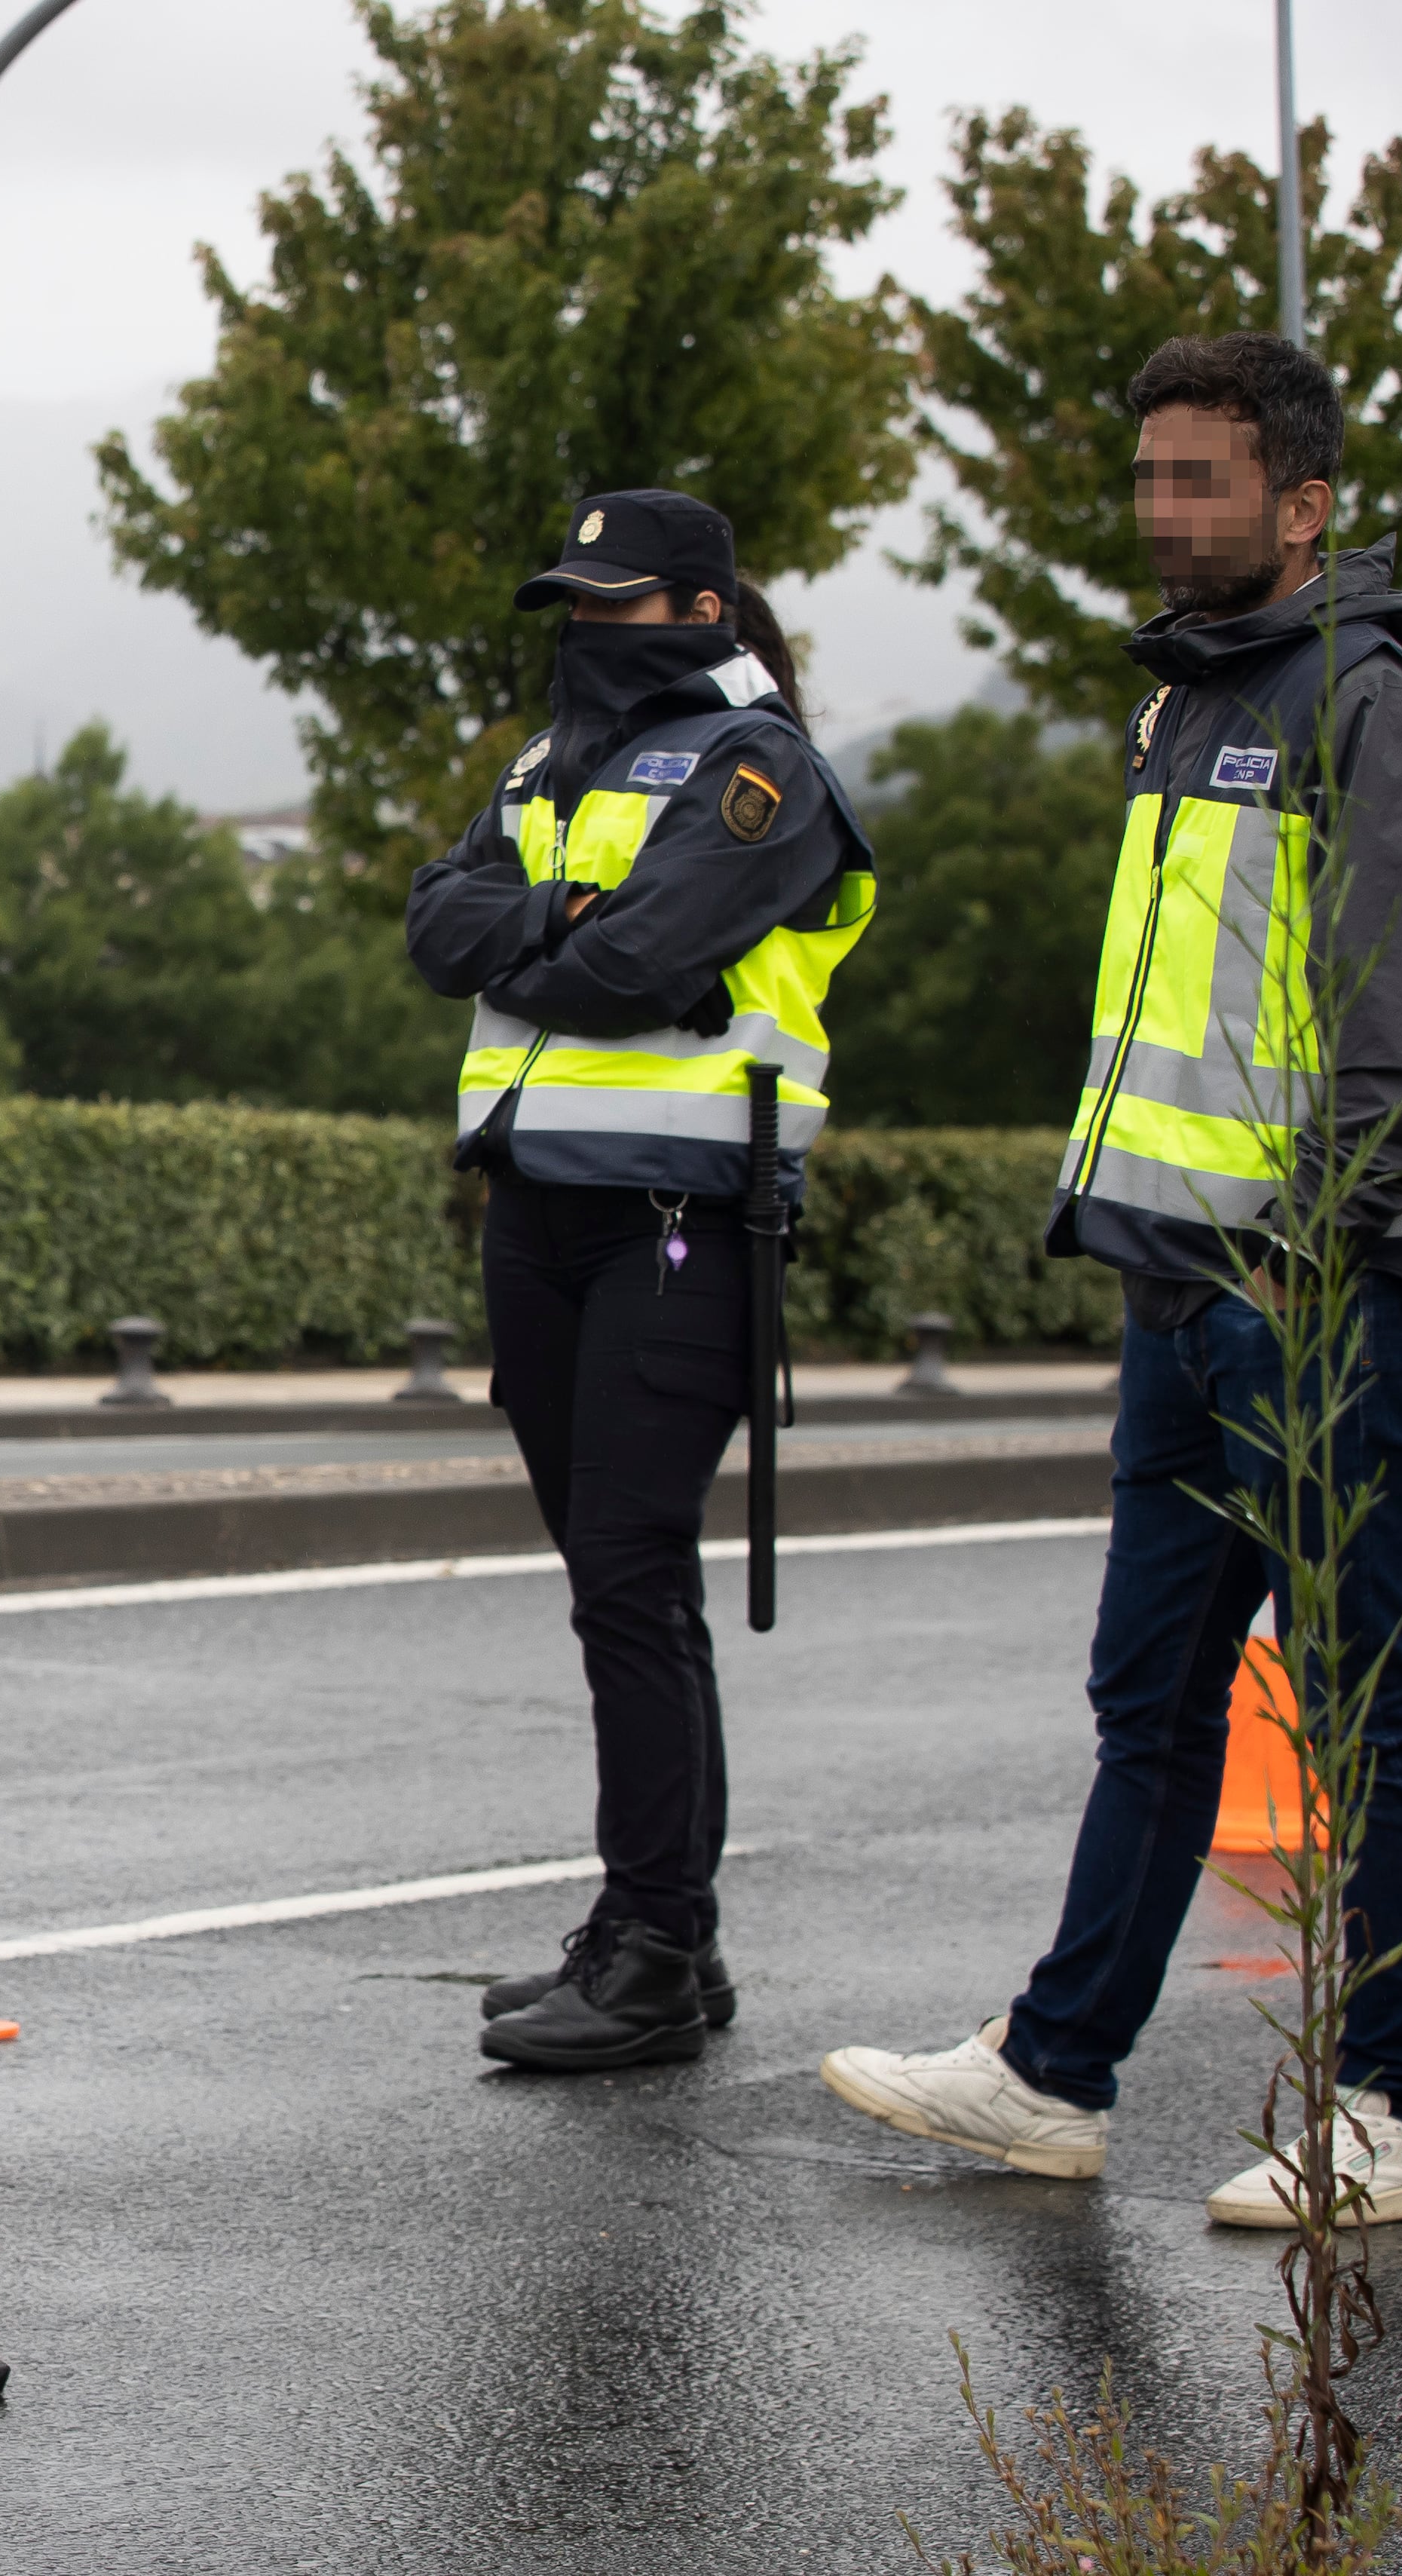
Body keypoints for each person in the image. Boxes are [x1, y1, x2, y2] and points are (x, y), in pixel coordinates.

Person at [822, 332, 1402, 2223]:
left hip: (1308, 1299)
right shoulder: (1184, 700)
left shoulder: (1366, 700)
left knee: (1364, 1703)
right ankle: (1052, 2073)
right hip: (1178, 1292)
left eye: (1205, 482)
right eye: (1152, 477)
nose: (1166, 512)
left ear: (1306, 504)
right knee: (1151, 1704)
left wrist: (1298, 1255)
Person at [407, 487, 878, 2072]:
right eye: (571, 603)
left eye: (613, 604)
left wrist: (525, 939)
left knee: (627, 1568)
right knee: (614, 1584)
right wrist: (547, 918)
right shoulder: (546, 769)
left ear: (698, 610)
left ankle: (656, 1948)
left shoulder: (761, 773)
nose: (584, 632)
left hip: (679, 1215)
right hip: (537, 1211)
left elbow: (637, 966)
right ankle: (655, 1925)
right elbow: (432, 919)